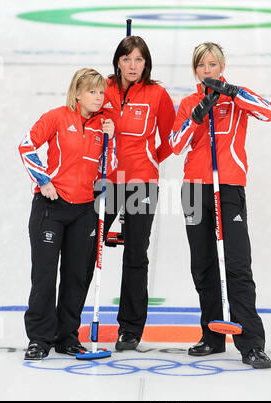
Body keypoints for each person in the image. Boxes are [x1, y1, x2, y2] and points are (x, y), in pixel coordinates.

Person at [169, 42, 271, 369]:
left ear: (222, 66)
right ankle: (212, 335)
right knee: (203, 265)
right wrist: (198, 115)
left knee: (237, 264)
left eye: (213, 64)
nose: (207, 70)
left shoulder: (236, 97)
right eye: (201, 65)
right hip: (195, 189)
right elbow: (175, 145)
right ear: (195, 70)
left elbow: (267, 111)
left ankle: (251, 343)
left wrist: (232, 91)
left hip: (228, 187)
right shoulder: (189, 103)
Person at [19, 68, 116, 360]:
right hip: (51, 208)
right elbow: (26, 146)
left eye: (101, 92)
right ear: (77, 93)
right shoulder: (57, 117)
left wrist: (110, 140)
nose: (98, 98)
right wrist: (43, 180)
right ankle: (39, 337)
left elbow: (108, 168)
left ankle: (67, 336)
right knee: (45, 275)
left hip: (84, 210)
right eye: (92, 92)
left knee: (76, 276)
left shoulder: (103, 126)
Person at [95, 35, 176, 351]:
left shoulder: (157, 94)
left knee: (135, 254)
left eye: (139, 59)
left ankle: (129, 329)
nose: (132, 65)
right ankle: (67, 322)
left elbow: (171, 137)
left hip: (142, 183)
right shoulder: (103, 88)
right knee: (85, 248)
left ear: (146, 63)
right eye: (127, 59)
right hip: (105, 181)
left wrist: (151, 158)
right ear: (117, 60)